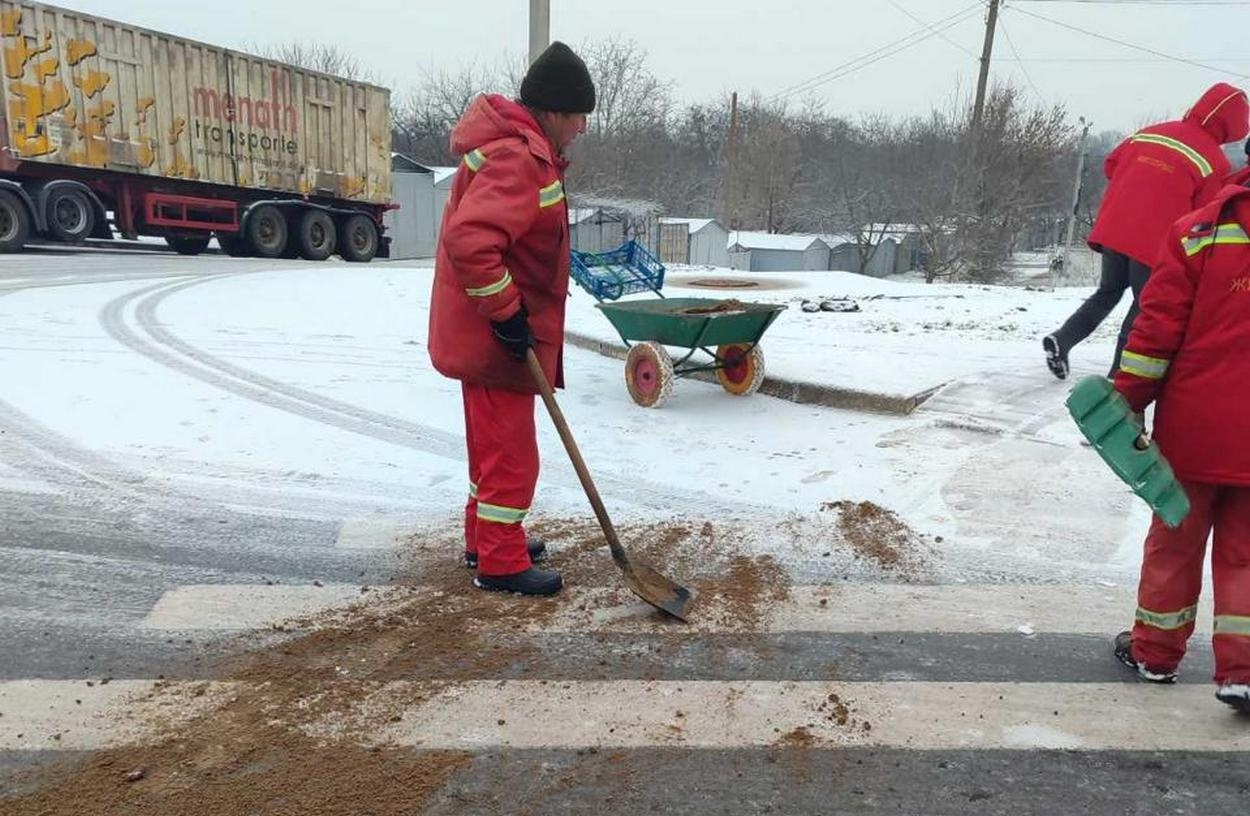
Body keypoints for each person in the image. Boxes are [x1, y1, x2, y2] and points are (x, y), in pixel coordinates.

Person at [427, 42, 595, 597]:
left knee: (491, 450)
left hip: (483, 334)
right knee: (512, 455)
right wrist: (506, 312)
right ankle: (500, 561)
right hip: (496, 338)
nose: (582, 127)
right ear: (553, 110)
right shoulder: (519, 159)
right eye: (578, 115)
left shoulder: (512, 149)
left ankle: (486, 539)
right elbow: (471, 241)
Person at [1110, 180, 1250, 714]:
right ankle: (1243, 673)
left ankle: (1155, 654)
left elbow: (1156, 331)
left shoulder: (1199, 233)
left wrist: (1127, 400)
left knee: (1175, 544)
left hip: (1196, 428)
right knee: (1246, 555)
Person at [1043, 83, 1249, 380]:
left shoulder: (1151, 132)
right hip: (1153, 243)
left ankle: (1062, 340)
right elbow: (1204, 214)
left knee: (1107, 292)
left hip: (1114, 229)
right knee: (1143, 309)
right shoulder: (1214, 162)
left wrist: (1139, 188)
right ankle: (1117, 377)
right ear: (1232, 125)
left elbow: (1111, 165)